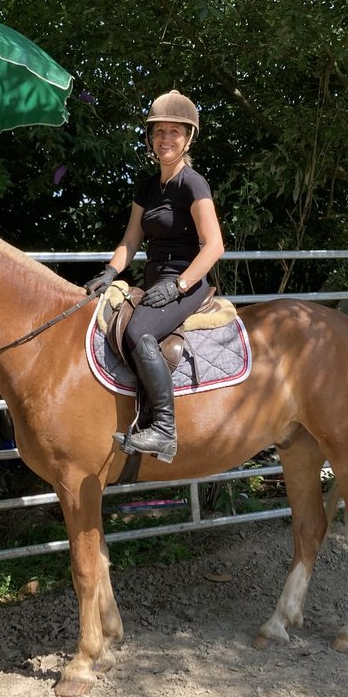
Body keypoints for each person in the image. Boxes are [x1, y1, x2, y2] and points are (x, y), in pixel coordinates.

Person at [82, 90, 226, 463]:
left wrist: (179, 285)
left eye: (174, 132)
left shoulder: (193, 184)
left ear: (188, 138)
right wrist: (111, 271)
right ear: (150, 137)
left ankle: (163, 429)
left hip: (187, 282)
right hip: (153, 281)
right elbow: (132, 239)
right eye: (159, 131)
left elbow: (214, 246)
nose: (165, 139)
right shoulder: (147, 187)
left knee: (137, 331)